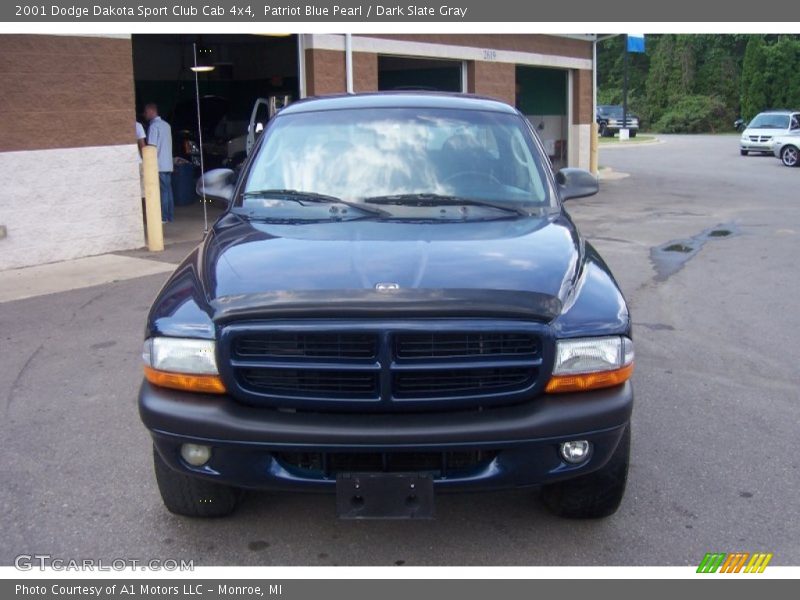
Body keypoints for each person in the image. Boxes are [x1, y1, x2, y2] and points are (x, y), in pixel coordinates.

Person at [143, 103, 174, 223]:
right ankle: (170, 216)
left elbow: (151, 147)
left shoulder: (153, 127)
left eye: (145, 112)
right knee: (168, 190)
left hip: (159, 164)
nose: (145, 115)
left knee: (163, 192)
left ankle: (164, 217)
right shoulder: (167, 125)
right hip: (168, 163)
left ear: (151, 111)